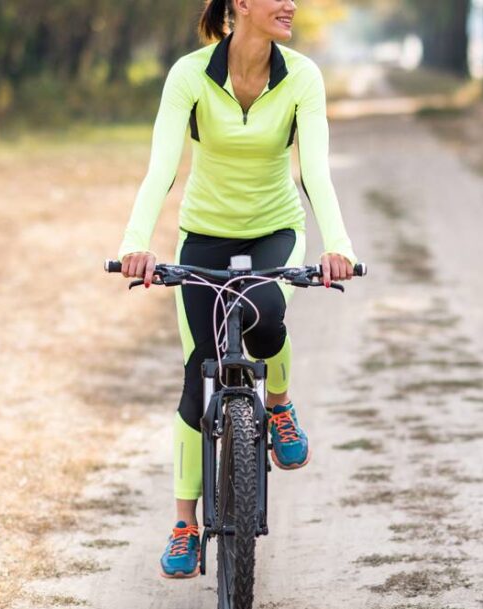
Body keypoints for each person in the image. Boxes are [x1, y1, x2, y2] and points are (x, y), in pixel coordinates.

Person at [116, 0, 357, 579]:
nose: (290, 5)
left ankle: (277, 406)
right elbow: (162, 168)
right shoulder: (190, 75)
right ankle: (184, 524)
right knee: (199, 371)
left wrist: (338, 245)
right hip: (203, 236)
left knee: (266, 316)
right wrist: (136, 242)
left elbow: (315, 171)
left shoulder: (301, 76)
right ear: (240, 5)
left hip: (275, 230)